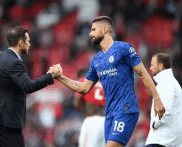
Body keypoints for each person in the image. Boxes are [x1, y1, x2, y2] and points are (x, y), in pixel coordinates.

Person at [51, 16, 165, 147]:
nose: (90, 34)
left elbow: (143, 74)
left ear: (105, 30)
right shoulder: (96, 59)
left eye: (94, 30)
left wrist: (156, 99)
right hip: (109, 115)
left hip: (125, 109)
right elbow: (83, 87)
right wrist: (61, 77)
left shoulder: (124, 49)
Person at [0, 27, 62, 147]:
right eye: (28, 41)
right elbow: (28, 86)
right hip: (4, 120)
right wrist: (51, 76)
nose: (30, 44)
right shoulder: (15, 62)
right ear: (21, 43)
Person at [145, 53, 182, 147]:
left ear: (161, 66)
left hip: (162, 140)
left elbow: (165, 111)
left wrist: (155, 124)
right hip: (168, 140)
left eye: (153, 65)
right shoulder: (169, 82)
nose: (150, 68)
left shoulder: (167, 83)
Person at [74, 69, 106, 147]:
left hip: (92, 121)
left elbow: (76, 104)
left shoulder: (82, 80)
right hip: (106, 122)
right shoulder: (103, 85)